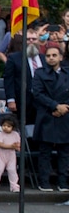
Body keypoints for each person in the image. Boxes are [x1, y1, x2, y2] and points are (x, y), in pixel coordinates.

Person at [31, 44, 69, 192]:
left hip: (65, 115)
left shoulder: (67, 72)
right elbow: (38, 93)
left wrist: (64, 108)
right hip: (47, 115)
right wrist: (54, 106)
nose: (51, 58)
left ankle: (63, 182)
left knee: (64, 152)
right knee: (45, 151)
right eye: (48, 56)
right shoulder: (40, 73)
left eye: (54, 55)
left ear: (60, 57)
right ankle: (44, 182)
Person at [0, 114, 21, 192]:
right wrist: (11, 146)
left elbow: (18, 144)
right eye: (4, 125)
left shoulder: (15, 134)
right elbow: (0, 144)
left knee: (12, 170)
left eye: (8, 126)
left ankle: (14, 186)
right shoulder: (0, 134)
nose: (5, 127)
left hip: (11, 155)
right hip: (1, 155)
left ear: (13, 127)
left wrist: (16, 146)